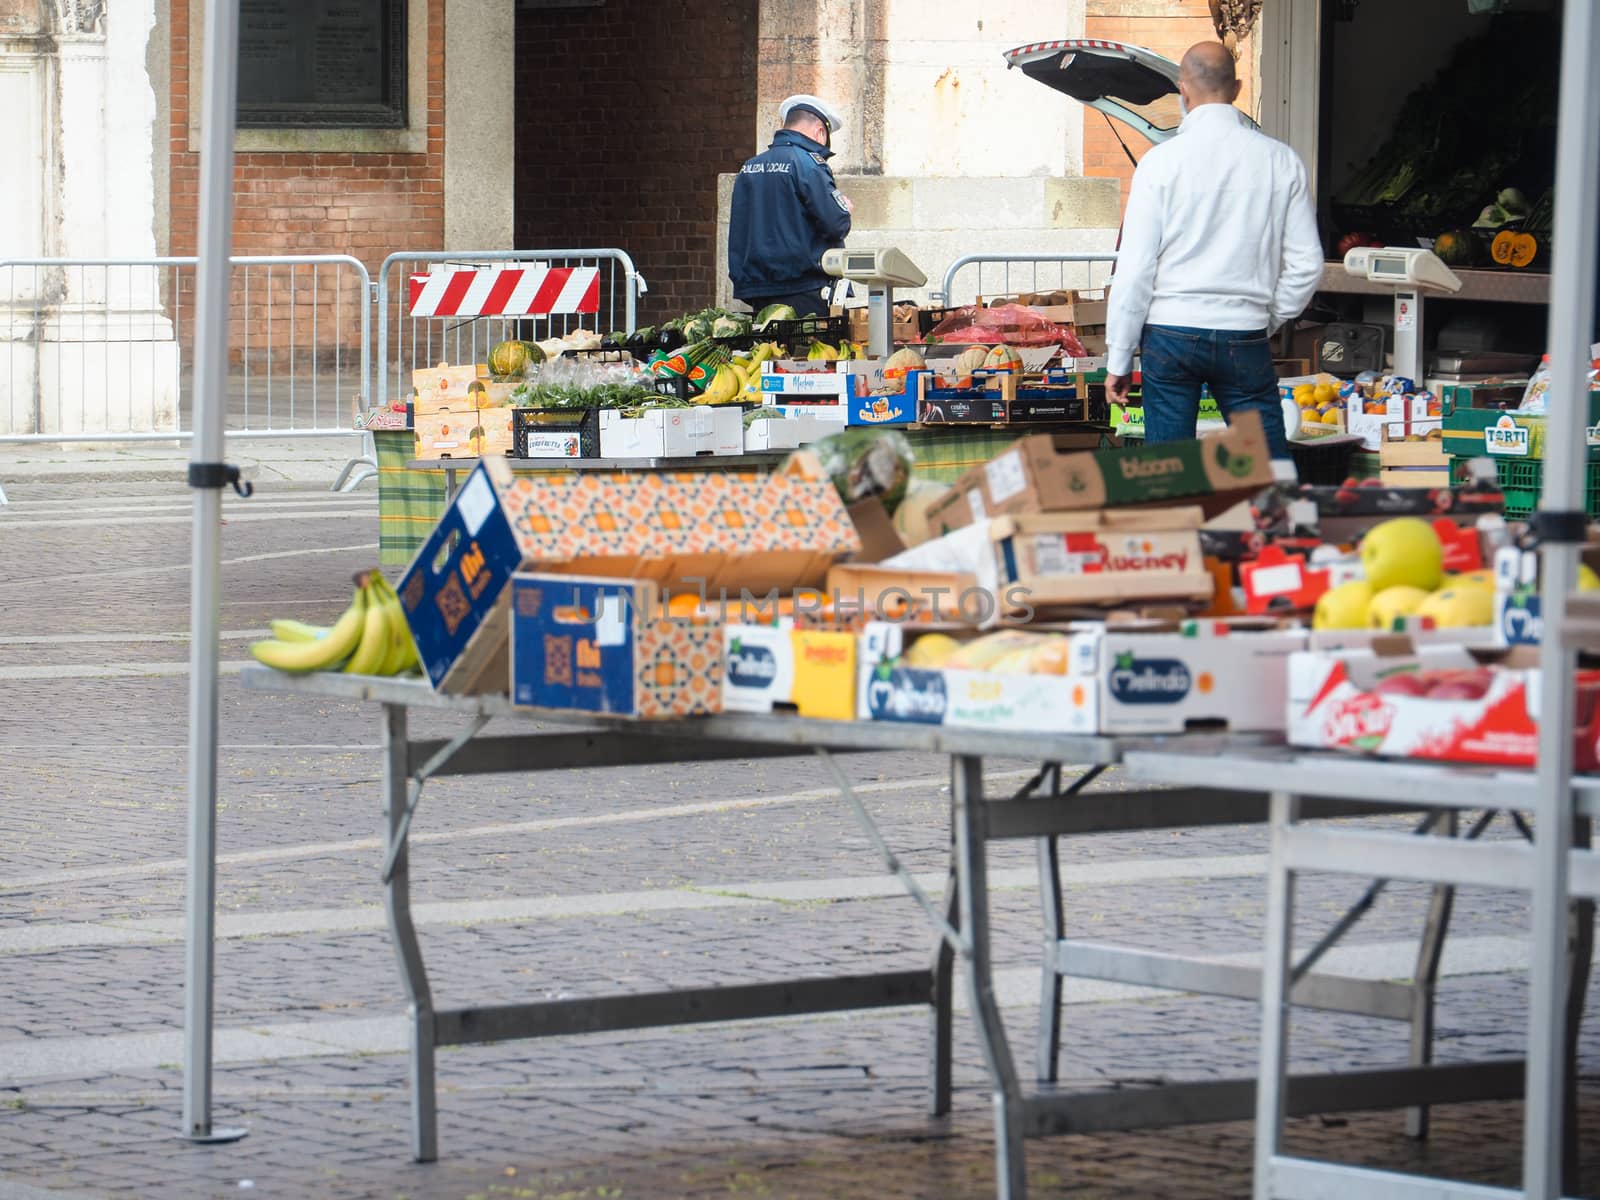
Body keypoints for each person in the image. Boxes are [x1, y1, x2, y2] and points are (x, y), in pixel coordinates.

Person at [1105, 42, 1322, 460]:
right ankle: (1273, 523)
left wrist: (1118, 358)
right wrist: (1267, 317)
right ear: (1238, 87)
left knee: (1170, 474)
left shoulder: (1160, 164)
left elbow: (1134, 271)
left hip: (1169, 334)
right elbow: (1307, 265)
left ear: (1182, 90)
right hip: (1245, 333)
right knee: (1267, 470)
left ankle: (1177, 524)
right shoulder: (1281, 161)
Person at [728, 94, 853, 318]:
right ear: (819, 131)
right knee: (813, 351)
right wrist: (844, 208)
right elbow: (836, 224)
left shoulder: (749, 167)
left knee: (771, 352)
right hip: (806, 289)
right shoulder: (809, 163)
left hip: (758, 291)